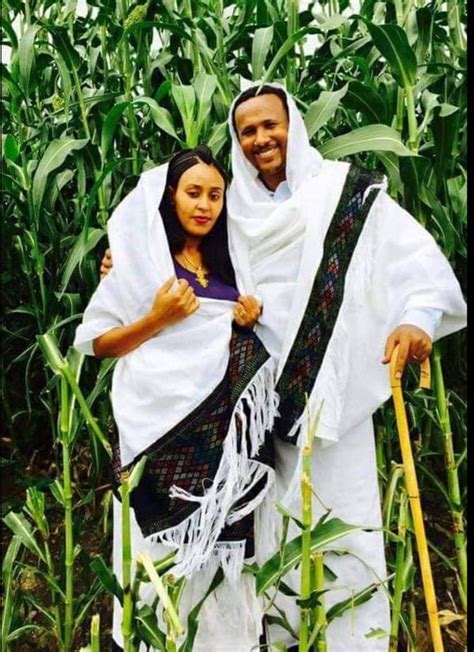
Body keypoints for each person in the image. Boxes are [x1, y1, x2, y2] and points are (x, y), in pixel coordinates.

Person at [100, 85, 467, 651]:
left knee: (339, 526)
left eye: (270, 125)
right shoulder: (229, 210)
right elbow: (175, 250)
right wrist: (121, 261)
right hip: (247, 407)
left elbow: (413, 261)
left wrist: (417, 319)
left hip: (329, 400)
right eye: (247, 131)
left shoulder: (344, 194)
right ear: (237, 140)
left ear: (293, 123)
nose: (260, 139)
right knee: (256, 539)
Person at [75, 145, 280, 652]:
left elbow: (235, 327)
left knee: (220, 551)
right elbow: (99, 343)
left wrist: (245, 318)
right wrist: (158, 319)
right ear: (170, 197)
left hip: (220, 435)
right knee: (161, 548)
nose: (205, 205)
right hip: (157, 425)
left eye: (215, 194)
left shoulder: (228, 262)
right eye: (193, 193)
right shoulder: (139, 260)